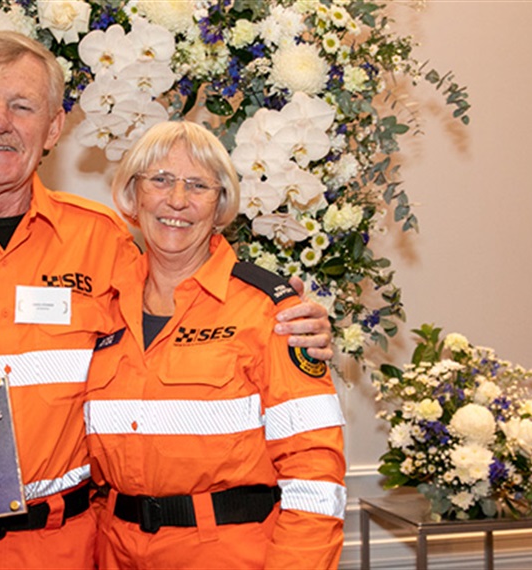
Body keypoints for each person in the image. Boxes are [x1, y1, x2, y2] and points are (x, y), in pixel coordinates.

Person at [0, 31, 333, 568]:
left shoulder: (103, 241)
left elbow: (187, 298)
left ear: (53, 127)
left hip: (66, 547)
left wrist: (290, 319)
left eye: (23, 106)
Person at [84, 121, 346, 569]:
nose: (177, 200)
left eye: (198, 185)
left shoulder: (271, 311)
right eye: (160, 180)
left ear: (220, 203)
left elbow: (315, 474)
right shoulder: (98, 307)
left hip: (230, 554)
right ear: (133, 195)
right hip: (114, 552)